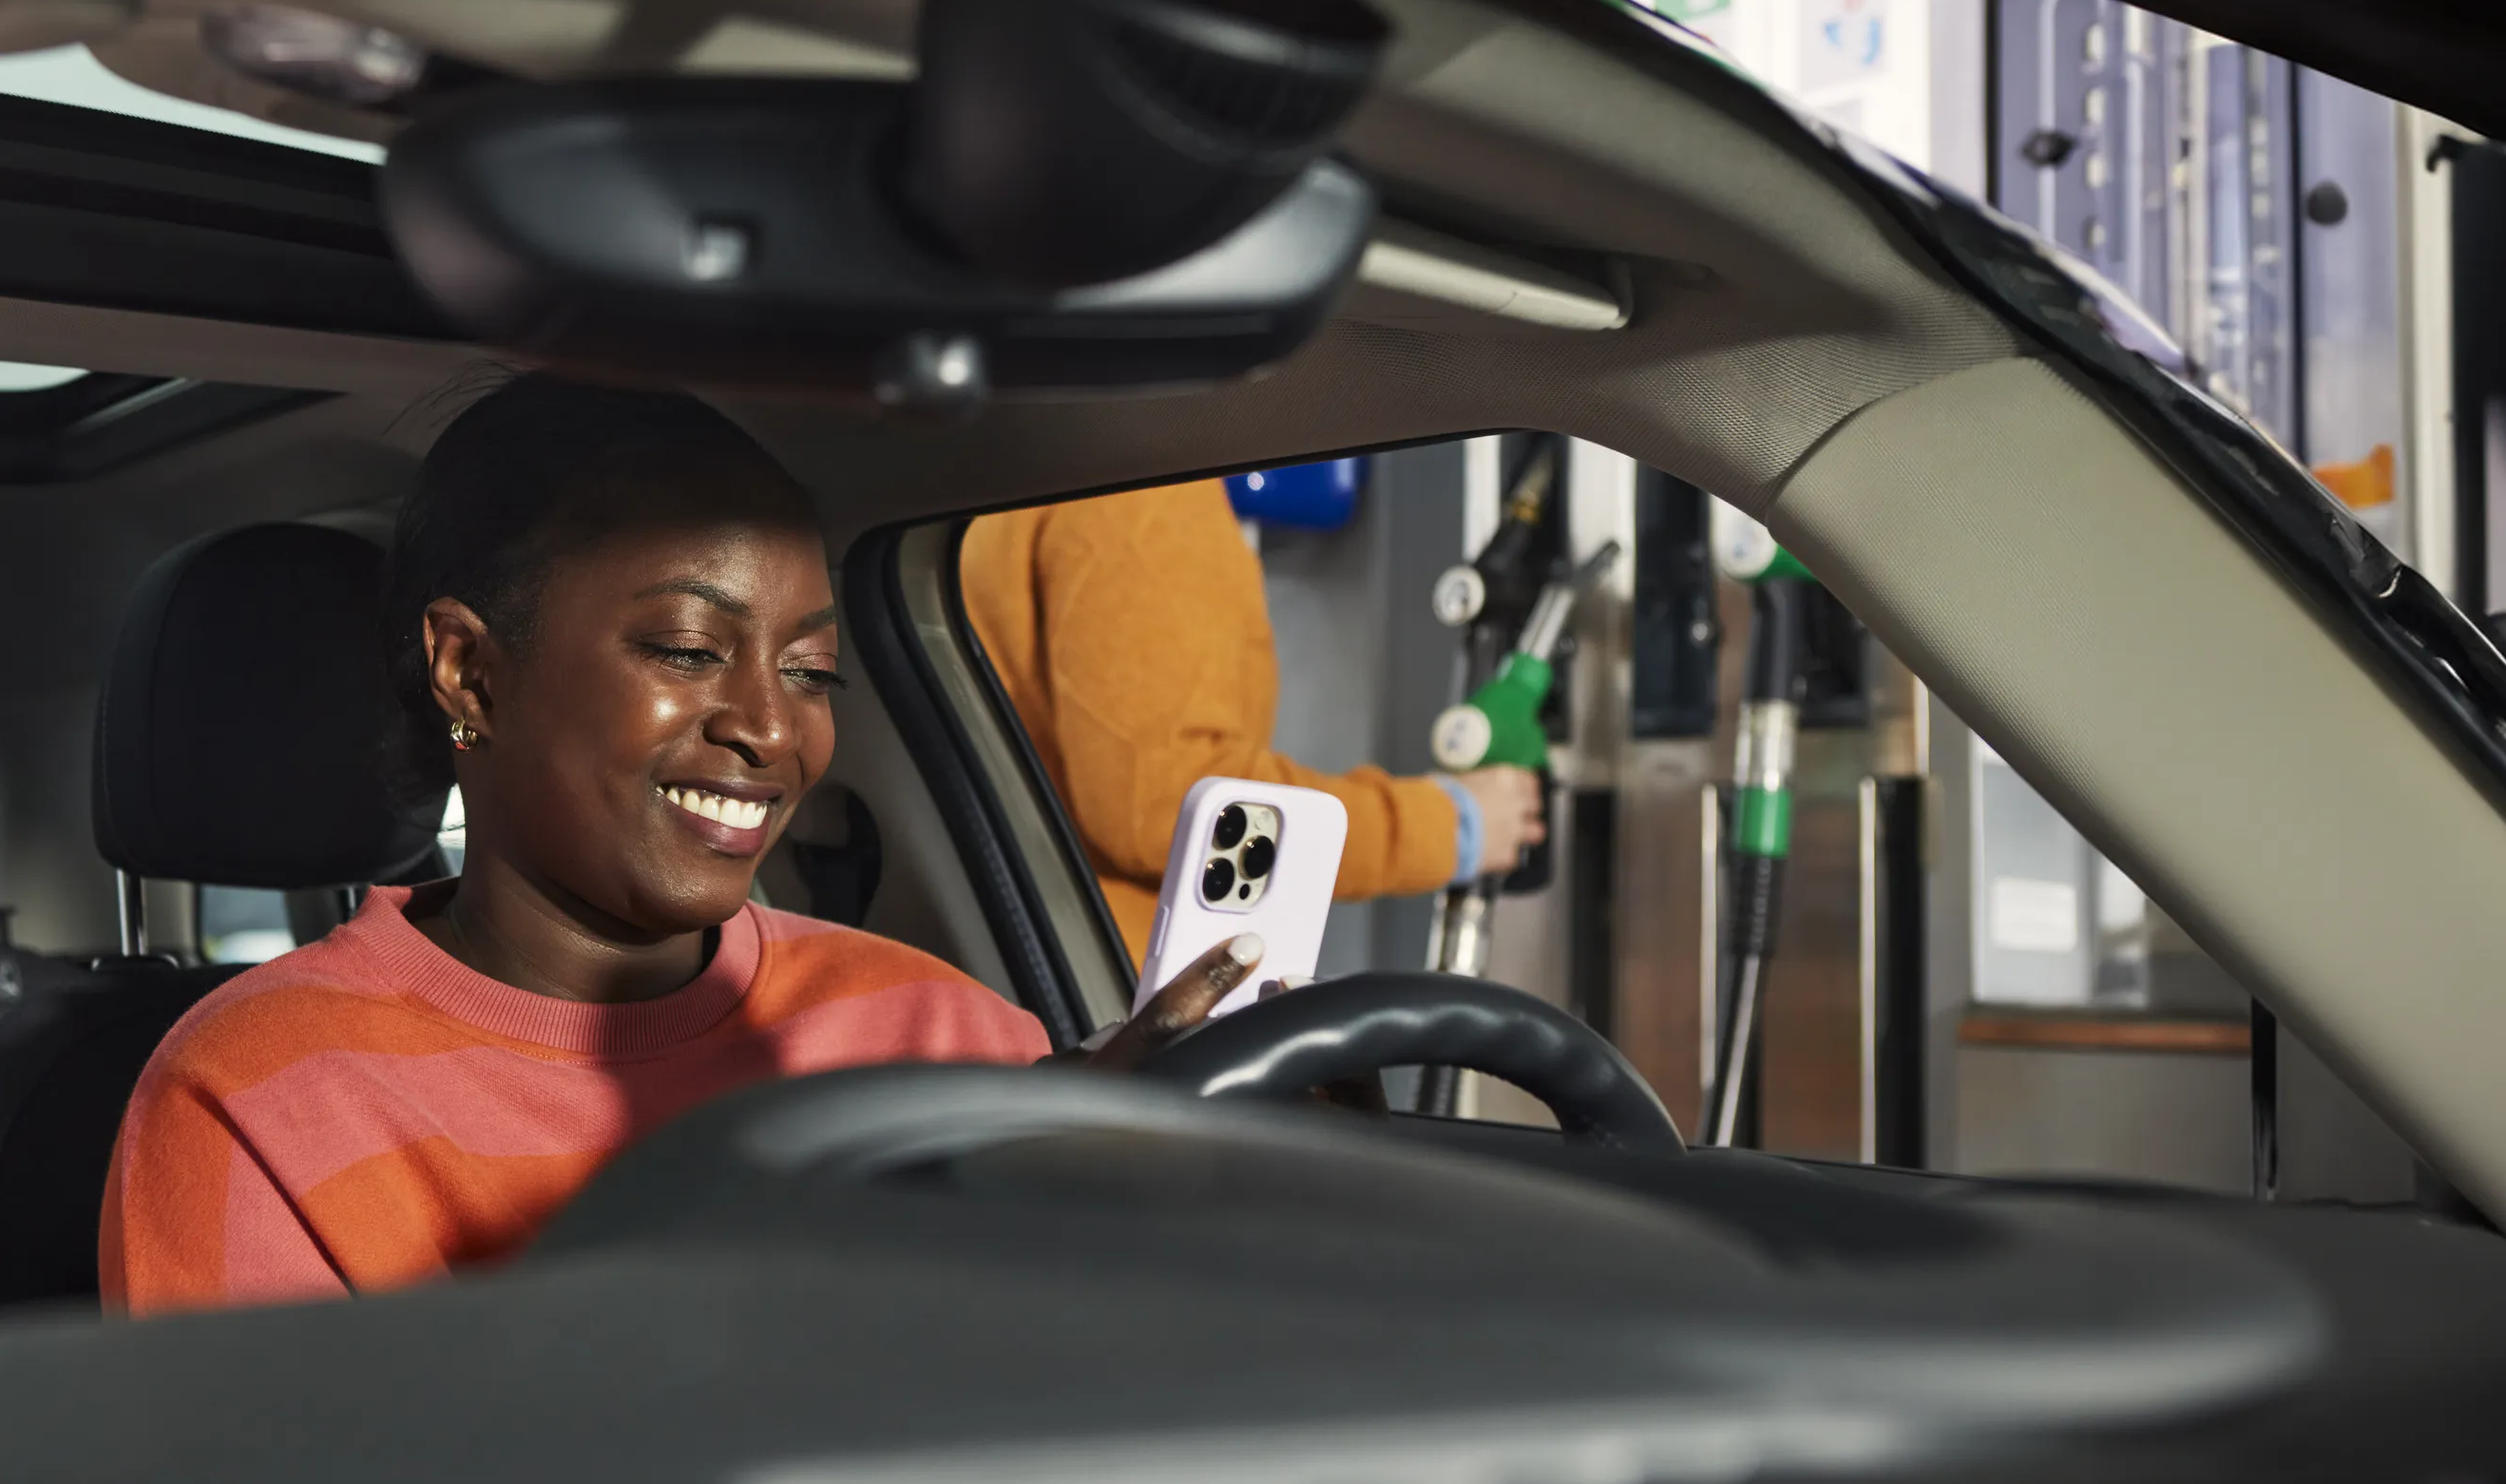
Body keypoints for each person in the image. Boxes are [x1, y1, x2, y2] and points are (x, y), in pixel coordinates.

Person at [101, 378, 1272, 1314]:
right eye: (687, 649)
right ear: (472, 669)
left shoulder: (941, 1026)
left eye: (812, 671)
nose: (771, 726)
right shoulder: (254, 1097)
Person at [962, 479, 1546, 968]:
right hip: (1112, 1013)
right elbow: (1168, 805)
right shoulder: (1143, 492)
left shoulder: (1022, 469)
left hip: (1033, 972)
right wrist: (1446, 827)